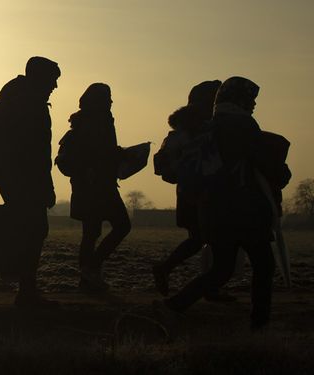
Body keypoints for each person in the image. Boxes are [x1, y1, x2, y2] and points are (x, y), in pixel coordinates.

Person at [157, 77, 277, 331]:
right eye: (251, 99)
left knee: (221, 269)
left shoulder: (208, 128)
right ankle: (260, 323)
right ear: (240, 100)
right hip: (244, 209)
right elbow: (264, 162)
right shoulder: (244, 125)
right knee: (264, 265)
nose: (253, 104)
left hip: (212, 209)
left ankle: (175, 305)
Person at [0, 56, 60, 308]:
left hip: (13, 179)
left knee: (26, 234)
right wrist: (45, 187)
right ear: (40, 78)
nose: (55, 86)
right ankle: (20, 289)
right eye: (53, 80)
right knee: (33, 233)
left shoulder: (17, 102)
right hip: (26, 181)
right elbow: (37, 153)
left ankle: (18, 286)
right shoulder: (31, 106)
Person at [151, 80, 235, 302]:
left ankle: (174, 272)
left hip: (190, 192)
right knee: (212, 240)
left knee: (200, 239)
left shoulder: (182, 131)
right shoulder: (201, 131)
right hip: (203, 194)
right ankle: (203, 286)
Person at [64, 83, 131, 292]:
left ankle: (87, 278)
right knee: (120, 226)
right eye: (107, 98)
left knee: (91, 233)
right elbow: (87, 156)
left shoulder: (91, 122)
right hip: (97, 187)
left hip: (94, 186)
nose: (111, 102)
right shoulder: (94, 124)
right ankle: (91, 270)